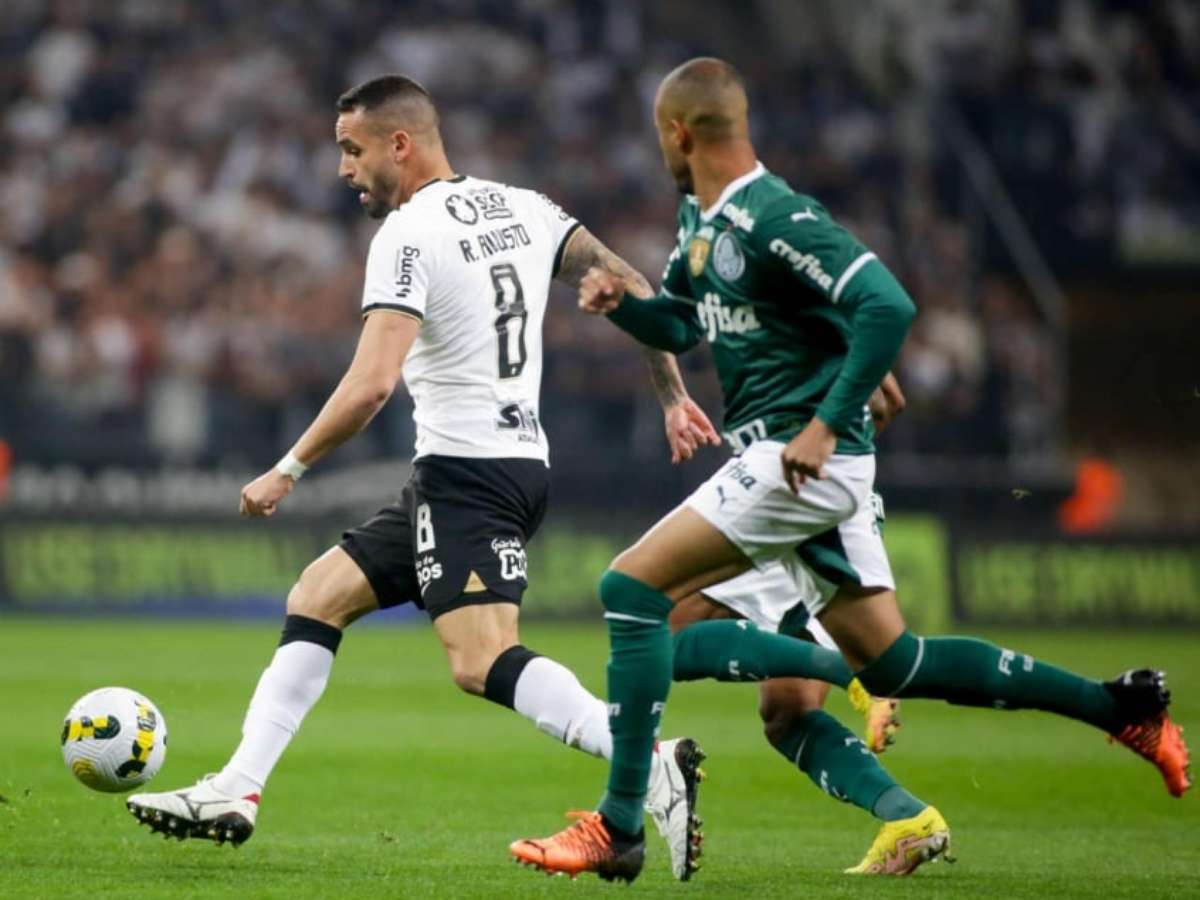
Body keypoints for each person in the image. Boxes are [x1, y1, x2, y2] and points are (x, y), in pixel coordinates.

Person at [509, 57, 1191, 883]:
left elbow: (889, 304)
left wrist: (830, 421)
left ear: (678, 133)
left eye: (659, 134)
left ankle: (619, 826)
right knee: (895, 663)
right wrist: (626, 309)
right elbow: (684, 327)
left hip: (796, 459)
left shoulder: (774, 213)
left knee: (629, 592)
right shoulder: (702, 220)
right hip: (798, 463)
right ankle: (1120, 706)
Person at [124, 73, 721, 879]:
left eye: (352, 149)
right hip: (502, 465)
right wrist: (672, 395)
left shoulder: (408, 236)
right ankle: (238, 787)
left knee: (479, 661)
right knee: (318, 595)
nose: (342, 169)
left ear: (399, 144)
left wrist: (288, 468)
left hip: (468, 475)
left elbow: (372, 383)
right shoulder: (528, 208)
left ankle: (648, 762)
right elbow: (638, 285)